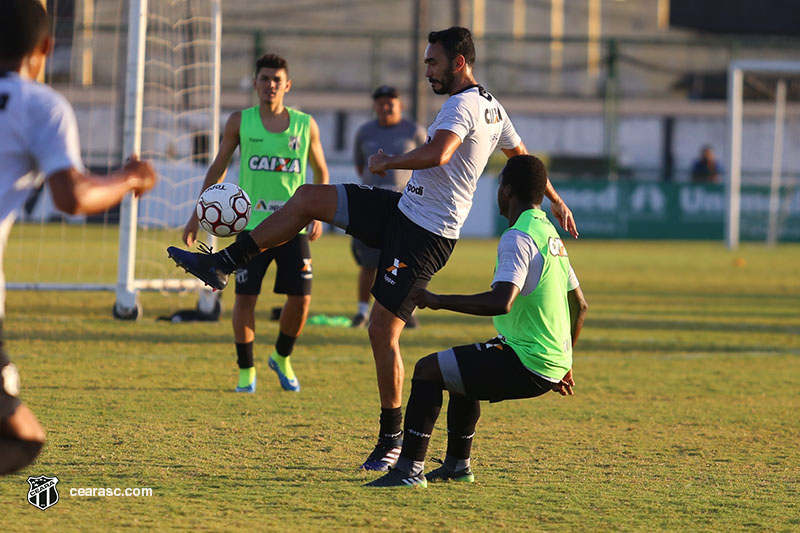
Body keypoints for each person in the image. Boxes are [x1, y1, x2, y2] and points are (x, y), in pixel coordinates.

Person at [168, 27, 578, 471]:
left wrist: (388, 162)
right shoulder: (492, 106)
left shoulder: (462, 106)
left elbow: (440, 153)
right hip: (405, 209)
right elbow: (523, 159)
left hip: (427, 235)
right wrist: (554, 198)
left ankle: (393, 440)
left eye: (432, 62)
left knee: (382, 333)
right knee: (308, 197)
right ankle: (223, 264)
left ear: (459, 62)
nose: (426, 71)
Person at [0, 0, 157, 475]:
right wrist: (130, 178)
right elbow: (71, 196)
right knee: (24, 434)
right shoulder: (39, 104)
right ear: (45, 48)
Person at [366, 155, 588, 487]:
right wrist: (564, 359)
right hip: (550, 362)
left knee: (427, 371)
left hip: (527, 361)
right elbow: (580, 305)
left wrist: (438, 300)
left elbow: (502, 301)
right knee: (460, 370)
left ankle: (409, 469)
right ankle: (457, 466)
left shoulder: (518, 237)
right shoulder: (548, 233)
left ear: (507, 191)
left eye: (499, 185)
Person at [180, 53, 329, 394]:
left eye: (277, 80)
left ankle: (282, 356)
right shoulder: (239, 121)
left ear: (287, 85)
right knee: (245, 299)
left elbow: (321, 170)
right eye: (265, 79)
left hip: (293, 224)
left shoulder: (305, 125)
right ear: (255, 83)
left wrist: (318, 211)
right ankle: (246, 370)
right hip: (250, 229)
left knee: (301, 299)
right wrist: (196, 215)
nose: (270, 85)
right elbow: (217, 167)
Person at [351, 85, 426, 328]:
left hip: (406, 204)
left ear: (400, 105)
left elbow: (427, 162)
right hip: (372, 202)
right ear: (374, 106)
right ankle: (362, 311)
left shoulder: (414, 131)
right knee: (368, 262)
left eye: (390, 103)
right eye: (380, 103)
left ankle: (407, 311)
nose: (385, 107)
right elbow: (361, 166)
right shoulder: (364, 132)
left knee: (406, 261)